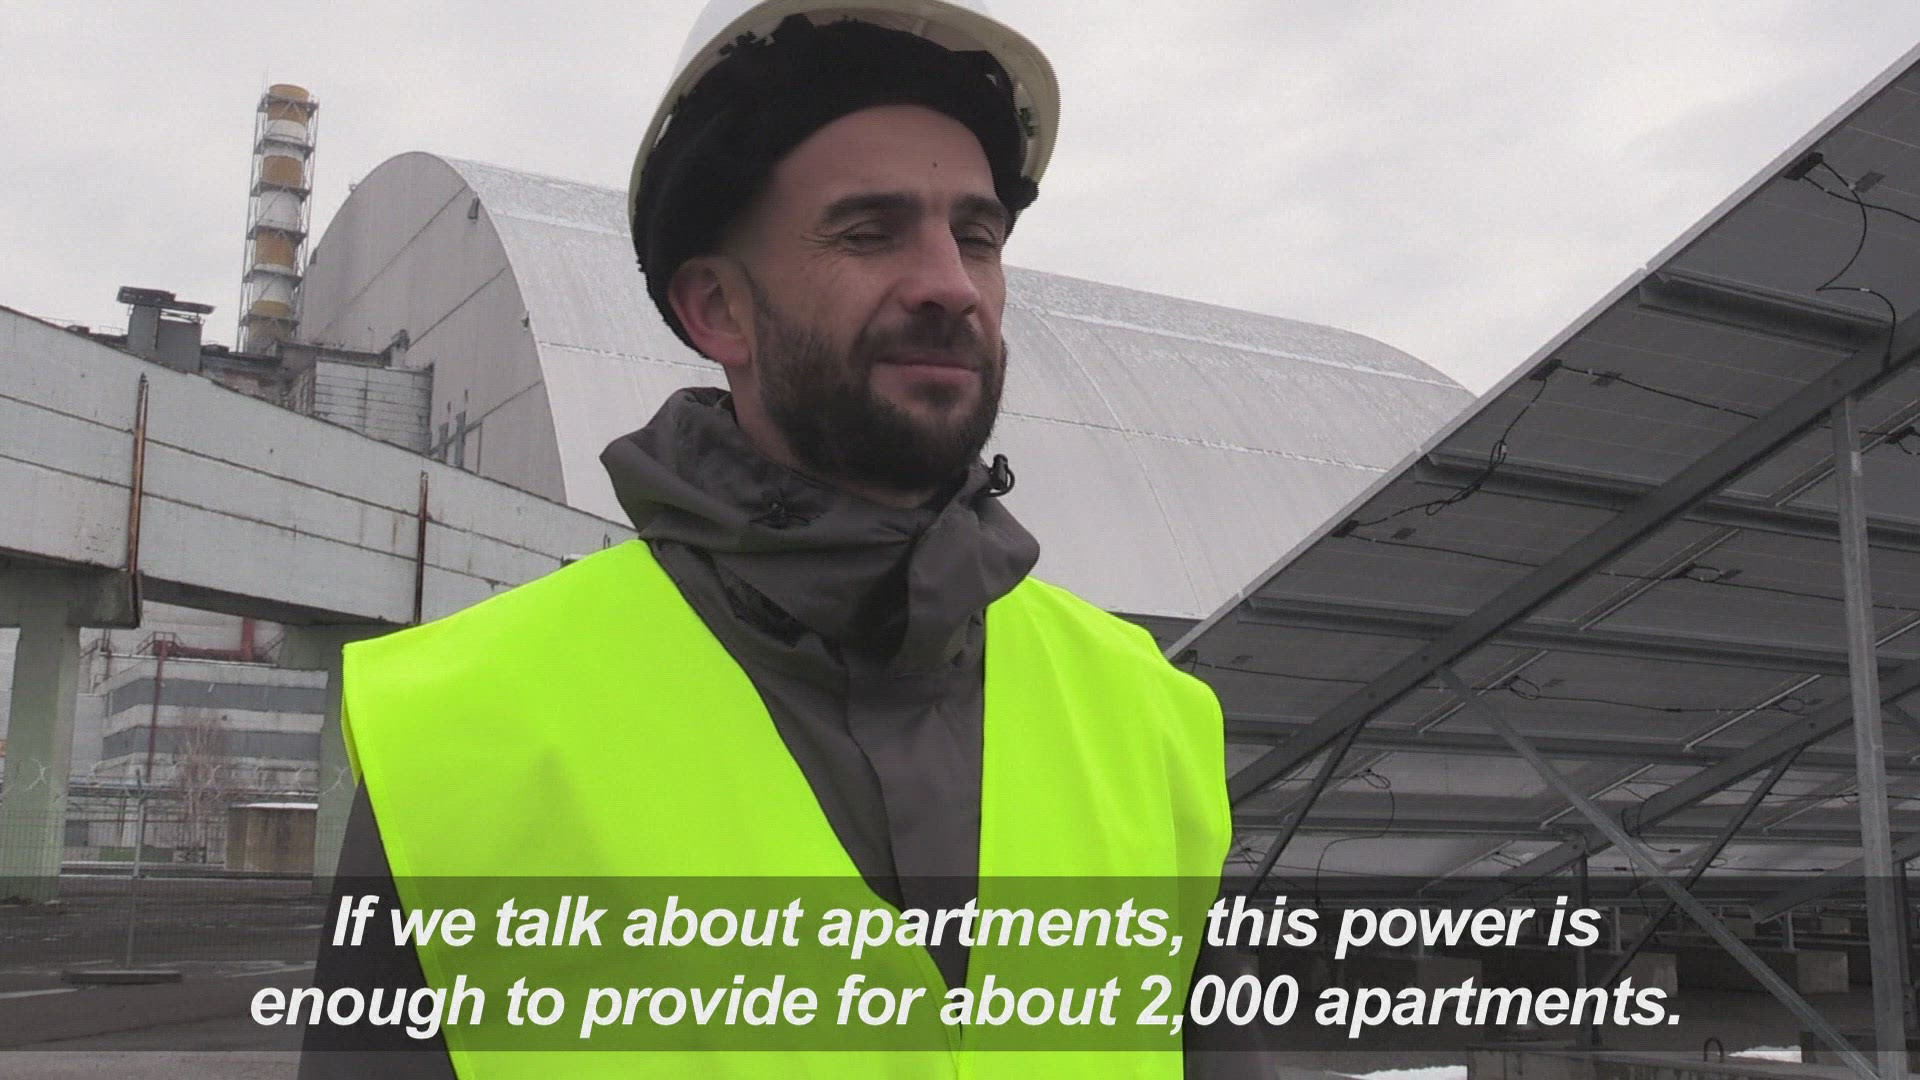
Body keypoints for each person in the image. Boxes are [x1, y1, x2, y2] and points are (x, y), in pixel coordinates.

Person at [300, 2, 1255, 1076]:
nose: (951, 284)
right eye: (869, 232)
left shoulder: (1148, 716)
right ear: (718, 309)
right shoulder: (468, 734)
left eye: (977, 237)